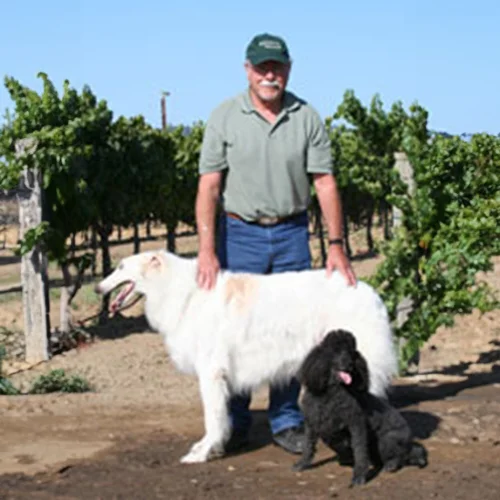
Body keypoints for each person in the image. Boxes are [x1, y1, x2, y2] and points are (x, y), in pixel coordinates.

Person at [194, 32, 357, 455]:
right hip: (241, 235)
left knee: (290, 331)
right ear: (247, 69)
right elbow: (209, 187)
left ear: (288, 69)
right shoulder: (224, 117)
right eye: (262, 67)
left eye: (278, 67)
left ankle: (286, 421)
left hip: (290, 235)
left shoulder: (307, 117)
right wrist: (208, 250)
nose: (270, 74)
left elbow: (324, 182)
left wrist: (336, 244)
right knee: (237, 332)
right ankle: (236, 422)